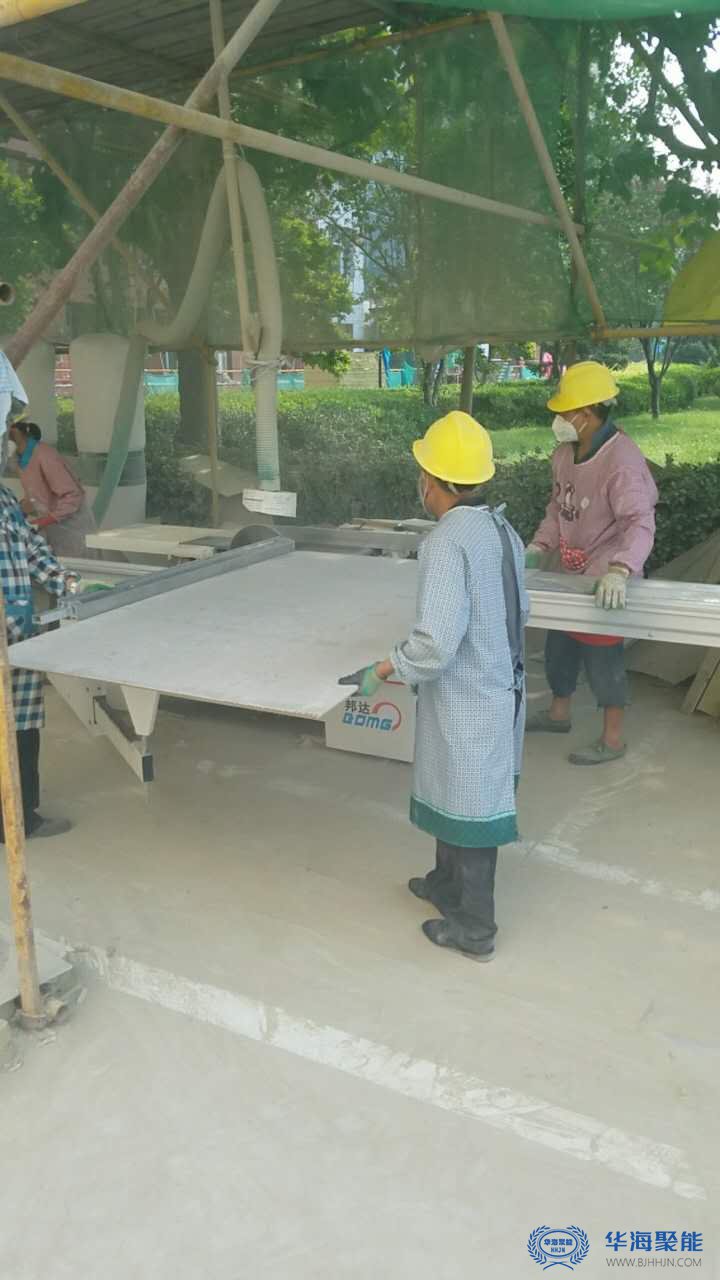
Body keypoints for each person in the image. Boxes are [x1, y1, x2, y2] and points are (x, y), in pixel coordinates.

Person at [340, 411, 528, 962]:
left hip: (471, 698)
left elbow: (435, 644)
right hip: (497, 688)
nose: (419, 482)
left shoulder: (447, 542)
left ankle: (474, 928)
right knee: (456, 792)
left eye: (422, 472)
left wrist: (383, 670)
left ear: (434, 480)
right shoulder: (501, 529)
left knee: (473, 811)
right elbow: (520, 612)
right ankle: (446, 885)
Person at [525, 361, 658, 765]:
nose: (558, 419)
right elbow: (558, 508)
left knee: (603, 659)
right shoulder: (564, 454)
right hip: (572, 571)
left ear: (587, 413)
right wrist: (538, 546)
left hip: (606, 577)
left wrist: (620, 570)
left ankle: (612, 739)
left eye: (564, 412)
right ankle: (559, 714)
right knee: (560, 646)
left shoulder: (622, 463)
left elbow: (639, 523)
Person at [0, 483, 77, 840]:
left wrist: (68, 583)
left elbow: (33, 549)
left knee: (22, 728)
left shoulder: (4, 497)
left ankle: (21, 817)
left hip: (18, 634)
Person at [8, 421, 97, 557]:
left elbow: (72, 496)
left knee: (76, 566)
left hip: (71, 530)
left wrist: (42, 521)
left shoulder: (45, 454)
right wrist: (14, 516)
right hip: (52, 533)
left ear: (17, 433)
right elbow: (34, 498)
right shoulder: (21, 458)